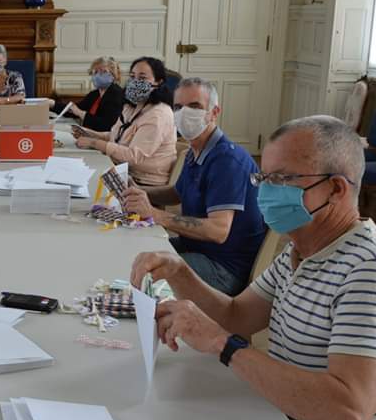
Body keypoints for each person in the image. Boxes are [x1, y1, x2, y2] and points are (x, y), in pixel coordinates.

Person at [130, 115, 376, 420]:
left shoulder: (370, 273)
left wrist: (224, 345)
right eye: (263, 177)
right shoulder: (302, 252)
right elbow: (237, 315)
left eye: (282, 180)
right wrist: (180, 273)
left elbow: (347, 416)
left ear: (336, 189)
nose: (265, 192)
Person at [123, 78, 266, 294]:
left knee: (138, 274)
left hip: (223, 267)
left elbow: (218, 231)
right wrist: (139, 192)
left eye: (195, 106)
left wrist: (154, 214)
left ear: (214, 112)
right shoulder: (196, 150)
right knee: (130, 252)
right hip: (196, 248)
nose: (184, 114)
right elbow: (177, 193)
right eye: (178, 107)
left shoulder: (226, 161)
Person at [73, 56, 176, 186]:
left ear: (159, 82)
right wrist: (90, 134)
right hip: (121, 170)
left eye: (142, 78)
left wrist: (95, 143)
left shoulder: (158, 114)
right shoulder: (132, 106)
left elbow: (133, 156)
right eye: (132, 76)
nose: (135, 81)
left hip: (142, 182)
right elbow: (117, 136)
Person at [67, 56, 125, 132]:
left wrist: (81, 113)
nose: (97, 76)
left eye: (103, 72)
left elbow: (107, 125)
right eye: (95, 72)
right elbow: (75, 108)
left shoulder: (116, 94)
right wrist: (53, 104)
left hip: (102, 137)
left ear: (114, 75)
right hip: (88, 134)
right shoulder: (95, 94)